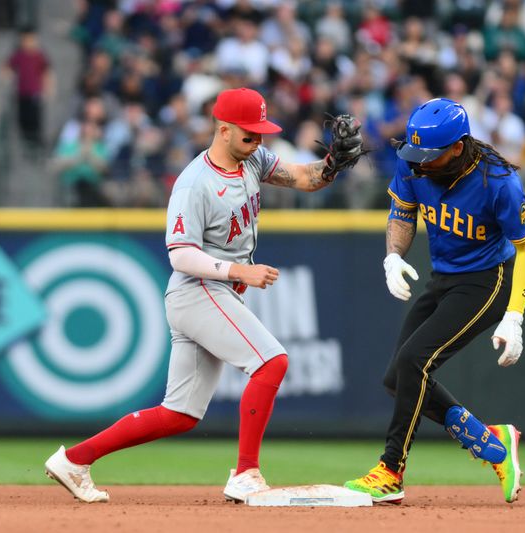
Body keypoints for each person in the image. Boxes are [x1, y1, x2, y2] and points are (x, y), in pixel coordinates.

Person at [45, 87, 365, 503]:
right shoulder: (194, 183)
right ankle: (246, 473)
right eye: (249, 134)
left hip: (213, 293)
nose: (257, 142)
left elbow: (304, 178)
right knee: (271, 362)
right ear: (222, 129)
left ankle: (74, 460)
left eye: (261, 133)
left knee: (178, 414)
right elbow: (180, 254)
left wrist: (332, 164)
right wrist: (238, 270)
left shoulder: (252, 159)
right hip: (199, 289)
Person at [344, 98, 525, 505]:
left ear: (458, 147)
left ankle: (391, 470)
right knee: (397, 378)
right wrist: (393, 256)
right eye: (413, 155)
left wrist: (515, 316)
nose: (417, 165)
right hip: (444, 277)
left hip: (489, 280)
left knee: (414, 359)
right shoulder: (413, 161)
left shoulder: (497, 180)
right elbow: (402, 212)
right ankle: (492, 442)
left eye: (427, 157)